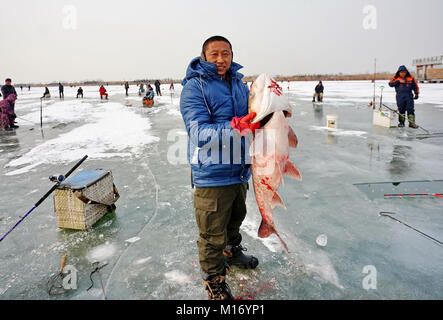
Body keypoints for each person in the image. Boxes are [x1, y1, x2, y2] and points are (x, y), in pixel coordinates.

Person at [180, 35, 260, 300]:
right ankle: (214, 281)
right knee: (212, 233)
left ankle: (231, 253)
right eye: (214, 54)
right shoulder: (195, 88)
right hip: (212, 176)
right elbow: (199, 134)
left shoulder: (239, 84)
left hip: (239, 171)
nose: (220, 59)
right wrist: (236, 127)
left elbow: (254, 117)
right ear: (203, 56)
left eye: (225, 53)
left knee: (235, 220)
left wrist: (273, 114)